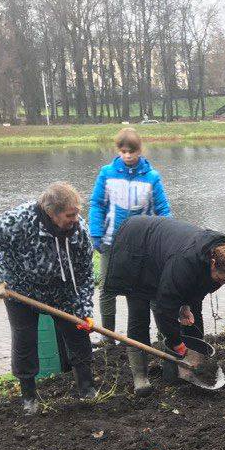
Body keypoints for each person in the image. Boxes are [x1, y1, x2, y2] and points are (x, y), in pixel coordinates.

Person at [0, 182, 97, 414]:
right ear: (51, 212)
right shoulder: (19, 221)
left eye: (77, 213)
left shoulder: (80, 232)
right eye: (70, 215)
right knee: (25, 339)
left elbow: (86, 274)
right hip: (21, 292)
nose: (75, 219)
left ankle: (87, 389)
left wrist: (84, 308)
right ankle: (29, 397)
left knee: (78, 333)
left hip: (63, 291)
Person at [99, 214, 225, 393]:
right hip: (135, 249)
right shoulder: (186, 260)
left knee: (189, 311)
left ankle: (186, 368)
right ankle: (140, 377)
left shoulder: (216, 251)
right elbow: (164, 307)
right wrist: (177, 344)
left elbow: (197, 287)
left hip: (162, 253)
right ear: (213, 263)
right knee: (139, 313)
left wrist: (186, 306)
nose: (221, 284)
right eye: (221, 279)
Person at [89, 127, 172, 335]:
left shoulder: (152, 177)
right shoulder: (107, 173)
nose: (127, 155)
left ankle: (162, 334)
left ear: (139, 150)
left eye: (131, 151)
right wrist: (96, 234)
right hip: (111, 241)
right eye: (123, 151)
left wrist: (169, 238)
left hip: (143, 246)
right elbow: (97, 204)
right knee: (107, 289)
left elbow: (162, 210)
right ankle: (108, 336)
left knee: (150, 289)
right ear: (118, 150)